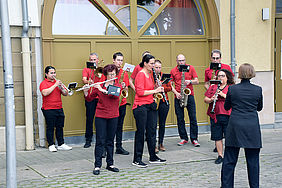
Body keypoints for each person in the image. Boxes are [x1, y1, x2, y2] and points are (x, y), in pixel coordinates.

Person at [221, 63, 263, 188]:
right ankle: (254, 186)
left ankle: (226, 186)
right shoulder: (258, 89)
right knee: (253, 161)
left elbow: (226, 106)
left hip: (235, 126)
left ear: (239, 73)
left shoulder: (232, 89)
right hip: (252, 127)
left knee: (229, 160)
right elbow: (259, 108)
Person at [84, 64, 123, 175]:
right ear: (106, 75)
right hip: (101, 115)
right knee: (100, 140)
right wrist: (86, 91)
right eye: (110, 74)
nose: (112, 76)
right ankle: (97, 165)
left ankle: (110, 164)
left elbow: (113, 95)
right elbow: (90, 98)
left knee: (110, 141)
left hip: (113, 115)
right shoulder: (100, 85)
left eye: (114, 74)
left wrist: (101, 89)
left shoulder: (117, 85)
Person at [132, 54, 166, 168]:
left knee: (152, 131)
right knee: (141, 133)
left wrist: (158, 87)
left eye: (153, 64)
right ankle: (137, 159)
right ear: (145, 63)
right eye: (151, 63)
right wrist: (155, 90)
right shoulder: (140, 74)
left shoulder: (151, 74)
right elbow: (140, 92)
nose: (153, 66)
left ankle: (153, 156)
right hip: (140, 106)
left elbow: (150, 89)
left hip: (150, 105)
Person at [204, 49, 234, 153]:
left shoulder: (227, 68)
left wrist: (222, 93)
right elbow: (206, 83)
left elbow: (232, 82)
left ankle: (226, 151)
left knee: (228, 134)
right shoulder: (208, 70)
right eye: (214, 58)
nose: (215, 60)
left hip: (226, 110)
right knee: (217, 133)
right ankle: (219, 150)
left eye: (217, 58)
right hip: (215, 104)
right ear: (211, 58)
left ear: (220, 58)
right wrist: (211, 90)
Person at [40, 66, 72, 152]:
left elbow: (65, 94)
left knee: (60, 127)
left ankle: (61, 144)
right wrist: (55, 85)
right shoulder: (43, 83)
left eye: (54, 73)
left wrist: (62, 87)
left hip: (59, 108)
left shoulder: (57, 83)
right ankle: (51, 144)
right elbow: (45, 93)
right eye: (51, 73)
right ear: (46, 74)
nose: (53, 75)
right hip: (48, 109)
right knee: (50, 127)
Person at [170, 54, 200, 147]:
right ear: (176, 61)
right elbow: (170, 84)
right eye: (179, 61)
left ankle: (194, 139)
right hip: (178, 96)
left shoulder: (190, 68)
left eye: (183, 60)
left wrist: (190, 81)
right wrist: (176, 93)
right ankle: (183, 138)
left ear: (185, 60)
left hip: (189, 95)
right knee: (180, 118)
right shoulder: (173, 71)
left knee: (193, 118)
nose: (181, 62)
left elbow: (197, 81)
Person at [82, 53, 103, 148]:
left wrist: (96, 72)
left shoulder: (101, 70)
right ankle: (88, 140)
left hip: (100, 97)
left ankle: (100, 139)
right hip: (90, 96)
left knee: (100, 120)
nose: (93, 61)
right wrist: (89, 81)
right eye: (91, 60)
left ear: (98, 60)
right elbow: (84, 80)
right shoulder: (86, 69)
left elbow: (103, 79)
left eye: (94, 60)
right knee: (89, 119)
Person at [112, 52, 130, 155]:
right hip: (112, 103)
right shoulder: (109, 71)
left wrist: (124, 86)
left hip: (122, 102)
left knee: (120, 126)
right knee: (110, 127)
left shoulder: (124, 73)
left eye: (121, 60)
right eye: (118, 60)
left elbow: (127, 89)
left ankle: (119, 146)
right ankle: (106, 148)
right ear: (113, 60)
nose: (120, 62)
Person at [154, 59, 172, 152]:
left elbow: (169, 88)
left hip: (164, 101)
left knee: (162, 123)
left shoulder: (164, 76)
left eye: (159, 67)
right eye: (156, 67)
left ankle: (161, 143)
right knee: (153, 124)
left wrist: (162, 86)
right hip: (154, 101)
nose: (158, 69)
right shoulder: (150, 76)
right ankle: (154, 144)